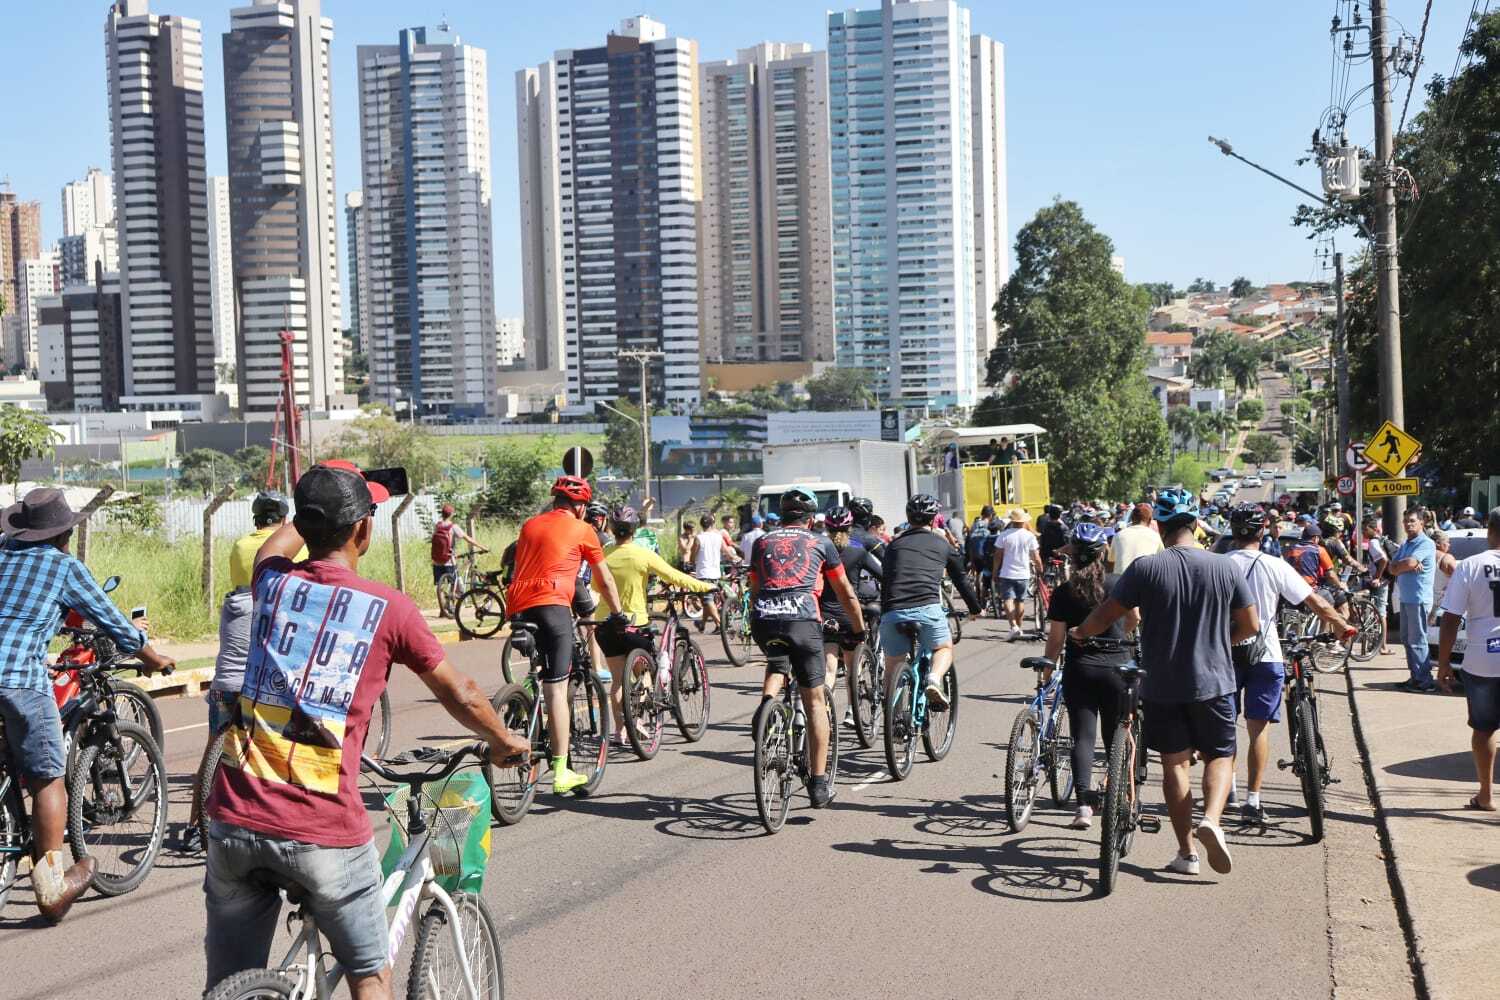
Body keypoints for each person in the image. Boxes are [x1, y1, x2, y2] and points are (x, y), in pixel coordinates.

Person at [202, 462, 530, 997]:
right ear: (364, 529)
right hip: (321, 828)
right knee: (371, 975)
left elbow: (274, 547)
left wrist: (328, 487)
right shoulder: (390, 610)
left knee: (228, 983)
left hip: (235, 817)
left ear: (303, 528)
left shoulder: (271, 581)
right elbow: (463, 693)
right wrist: (504, 740)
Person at [0, 488, 175, 923]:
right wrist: (151, 657)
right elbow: (111, 620)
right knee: (47, 777)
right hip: (18, 679)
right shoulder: (63, 567)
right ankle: (52, 886)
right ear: (64, 534)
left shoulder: (2, 553)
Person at [1072, 487, 1258, 878]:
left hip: (1162, 684)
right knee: (1220, 756)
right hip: (1215, 682)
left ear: (1159, 526)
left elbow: (1105, 616)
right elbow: (1251, 626)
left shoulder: (1146, 568)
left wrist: (1080, 633)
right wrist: (1221, 643)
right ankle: (1211, 819)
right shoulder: (1226, 567)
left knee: (1174, 765)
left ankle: (1187, 853)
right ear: (1195, 525)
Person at [1224, 503, 1352, 825]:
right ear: (1262, 531)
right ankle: (1253, 800)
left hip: (1225, 653)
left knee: (1226, 727)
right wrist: (1340, 624)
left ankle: (1229, 791)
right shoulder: (1274, 565)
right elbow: (1316, 601)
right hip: (1265, 654)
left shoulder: (1218, 565)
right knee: (1258, 730)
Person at [190, 491, 303, 844]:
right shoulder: (295, 549)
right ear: (285, 519)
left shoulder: (239, 548)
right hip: (271, 649)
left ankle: (195, 823)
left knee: (213, 746)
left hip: (233, 649)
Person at [507, 476, 626, 792]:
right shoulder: (584, 529)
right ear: (581, 506)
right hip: (553, 606)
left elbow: (526, 567)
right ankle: (560, 771)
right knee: (556, 690)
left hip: (518, 608)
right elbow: (603, 580)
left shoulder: (530, 525)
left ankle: (522, 711)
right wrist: (617, 614)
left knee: (540, 673)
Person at [748, 488, 865, 808]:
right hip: (802, 621)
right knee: (814, 701)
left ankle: (767, 704)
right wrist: (858, 629)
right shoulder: (821, 542)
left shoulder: (761, 542)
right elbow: (845, 592)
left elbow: (755, 587)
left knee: (777, 662)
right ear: (812, 518)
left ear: (782, 515)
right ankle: (817, 782)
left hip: (764, 621)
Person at [1040, 522, 1138, 830]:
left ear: (1073, 556)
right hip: (1118, 668)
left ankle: (1083, 806)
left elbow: (1056, 640)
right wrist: (1120, 636)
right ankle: (1115, 795)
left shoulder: (1063, 592)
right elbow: (1134, 619)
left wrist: (1046, 670)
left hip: (1080, 668)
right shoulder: (1119, 584)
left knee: (1082, 736)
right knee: (1115, 736)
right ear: (1102, 552)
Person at [592, 506, 715, 745]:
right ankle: (637, 715)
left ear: (612, 529)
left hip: (605, 625)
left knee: (618, 681)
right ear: (634, 530)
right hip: (633, 624)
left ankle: (621, 731)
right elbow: (674, 576)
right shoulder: (642, 553)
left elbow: (597, 587)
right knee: (646, 673)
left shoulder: (604, 552)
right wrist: (706, 587)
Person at [880, 494, 982, 710]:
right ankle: (934, 679)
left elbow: (886, 579)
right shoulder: (942, 544)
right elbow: (961, 579)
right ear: (933, 518)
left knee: (892, 667)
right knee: (944, 647)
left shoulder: (894, 544)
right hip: (926, 608)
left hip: (892, 610)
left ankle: (894, 718)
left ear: (908, 517)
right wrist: (975, 608)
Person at [1436, 507, 1500, 811]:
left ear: (1489, 530)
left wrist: (1444, 663)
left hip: (1482, 659)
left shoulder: (1471, 565)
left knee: (1484, 728)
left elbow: (1450, 620)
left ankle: (1486, 794)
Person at [821, 506, 883, 713]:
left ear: (827, 528)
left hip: (825, 615)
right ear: (850, 528)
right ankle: (851, 710)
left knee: (829, 669)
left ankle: (826, 713)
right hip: (849, 613)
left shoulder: (820, 551)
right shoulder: (858, 552)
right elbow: (882, 574)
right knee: (852, 667)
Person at [1388, 508, 1438, 692]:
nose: (1408, 524)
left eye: (1412, 521)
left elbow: (1406, 564)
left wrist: (1405, 565)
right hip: (1406, 598)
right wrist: (1404, 565)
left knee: (1418, 641)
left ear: (1421, 523)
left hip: (1418, 598)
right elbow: (1391, 567)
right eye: (1406, 521)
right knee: (1407, 640)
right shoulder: (1406, 544)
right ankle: (1415, 677)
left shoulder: (1426, 543)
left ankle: (1425, 682)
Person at [991, 508, 1043, 640]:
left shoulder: (1004, 535)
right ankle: (1018, 627)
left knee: (1007, 600)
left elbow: (997, 555)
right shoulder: (1029, 536)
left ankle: (1013, 626)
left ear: (1012, 521)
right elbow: (1036, 556)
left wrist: (995, 571)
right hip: (1023, 573)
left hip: (1007, 572)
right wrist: (1039, 568)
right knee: (1020, 601)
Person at [431, 503, 485, 615]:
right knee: (453, 583)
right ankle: (450, 605)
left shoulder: (438, 525)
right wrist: (481, 546)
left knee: (440, 586)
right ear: (451, 514)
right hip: (449, 560)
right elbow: (467, 538)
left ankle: (442, 610)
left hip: (436, 560)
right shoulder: (453, 527)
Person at [690, 512, 740, 632]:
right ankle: (702, 623)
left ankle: (721, 624)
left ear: (701, 525)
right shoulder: (718, 537)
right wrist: (735, 558)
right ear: (712, 524)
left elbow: (692, 555)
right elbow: (726, 551)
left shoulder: (699, 538)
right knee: (708, 600)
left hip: (703, 573)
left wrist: (692, 562)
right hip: (716, 573)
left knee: (707, 600)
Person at [1361, 517, 1393, 655]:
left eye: (1365, 529)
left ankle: (1383, 646)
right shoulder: (1378, 541)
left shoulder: (1374, 542)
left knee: (1380, 613)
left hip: (1380, 582)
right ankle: (1377, 644)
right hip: (1381, 580)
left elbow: (1383, 560)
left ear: (1373, 529)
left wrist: (1377, 578)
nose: (1363, 532)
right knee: (1377, 612)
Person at [1111, 502, 1163, 573]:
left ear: (1132, 518)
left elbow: (1111, 561)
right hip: (1144, 581)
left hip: (1120, 580)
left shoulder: (1118, 535)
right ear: (1150, 520)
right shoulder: (1156, 537)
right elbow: (1162, 562)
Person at [1428, 530, 1459, 628]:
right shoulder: (1446, 558)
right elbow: (1459, 580)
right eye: (1447, 542)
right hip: (1443, 606)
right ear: (1438, 543)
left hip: (1426, 603)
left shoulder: (1423, 556)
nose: (1449, 545)